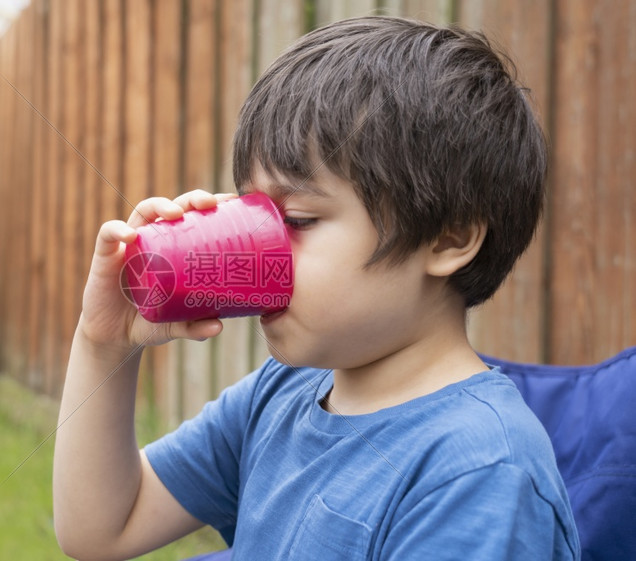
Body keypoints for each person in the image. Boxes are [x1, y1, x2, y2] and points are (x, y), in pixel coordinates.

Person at [53, 16, 580, 560]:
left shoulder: (479, 472)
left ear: (448, 239)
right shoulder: (282, 391)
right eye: (252, 215)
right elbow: (100, 530)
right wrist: (105, 342)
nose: (257, 252)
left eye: (298, 220)